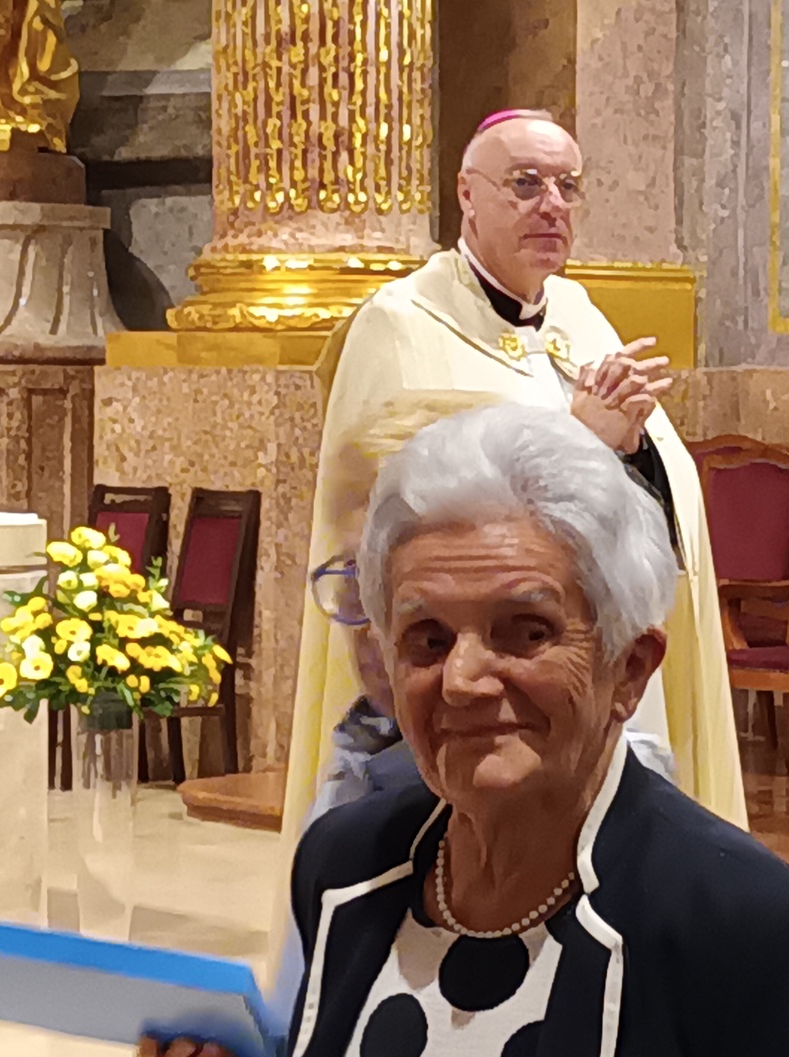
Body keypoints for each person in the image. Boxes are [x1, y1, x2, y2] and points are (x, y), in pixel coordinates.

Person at [139, 396, 681, 1057]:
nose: (462, 676)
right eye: (358, 581)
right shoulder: (348, 836)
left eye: (523, 629)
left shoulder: (707, 905)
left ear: (628, 667)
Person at [284, 110, 745, 903]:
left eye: (569, 186)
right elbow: (394, 506)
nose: (552, 205)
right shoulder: (398, 324)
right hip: (478, 673)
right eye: (526, 184)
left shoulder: (583, 320)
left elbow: (663, 497)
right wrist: (581, 441)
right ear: (467, 194)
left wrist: (632, 449)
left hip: (596, 653)